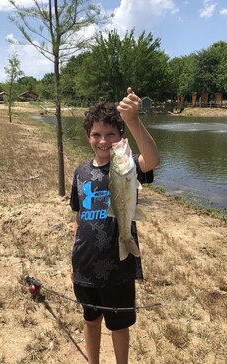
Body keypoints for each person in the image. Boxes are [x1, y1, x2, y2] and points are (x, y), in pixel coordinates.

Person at [70, 88, 160, 364]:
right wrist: (73, 261)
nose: (104, 140)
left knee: (119, 326)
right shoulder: (81, 172)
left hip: (118, 269)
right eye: (96, 134)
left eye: (111, 134)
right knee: (91, 320)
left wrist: (132, 120)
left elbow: (152, 159)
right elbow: (77, 217)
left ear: (120, 137)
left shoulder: (127, 166)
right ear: (88, 137)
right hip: (84, 266)